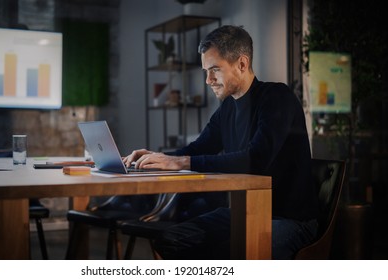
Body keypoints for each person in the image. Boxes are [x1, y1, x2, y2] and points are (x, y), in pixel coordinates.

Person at [122, 25, 319, 259]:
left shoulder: (277, 97)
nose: (208, 80)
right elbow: (198, 148)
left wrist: (180, 162)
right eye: (206, 71)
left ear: (242, 64)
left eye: (215, 69)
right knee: (169, 242)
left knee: (228, 253)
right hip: (243, 213)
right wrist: (155, 157)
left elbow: (255, 160)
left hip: (291, 219)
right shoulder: (227, 107)